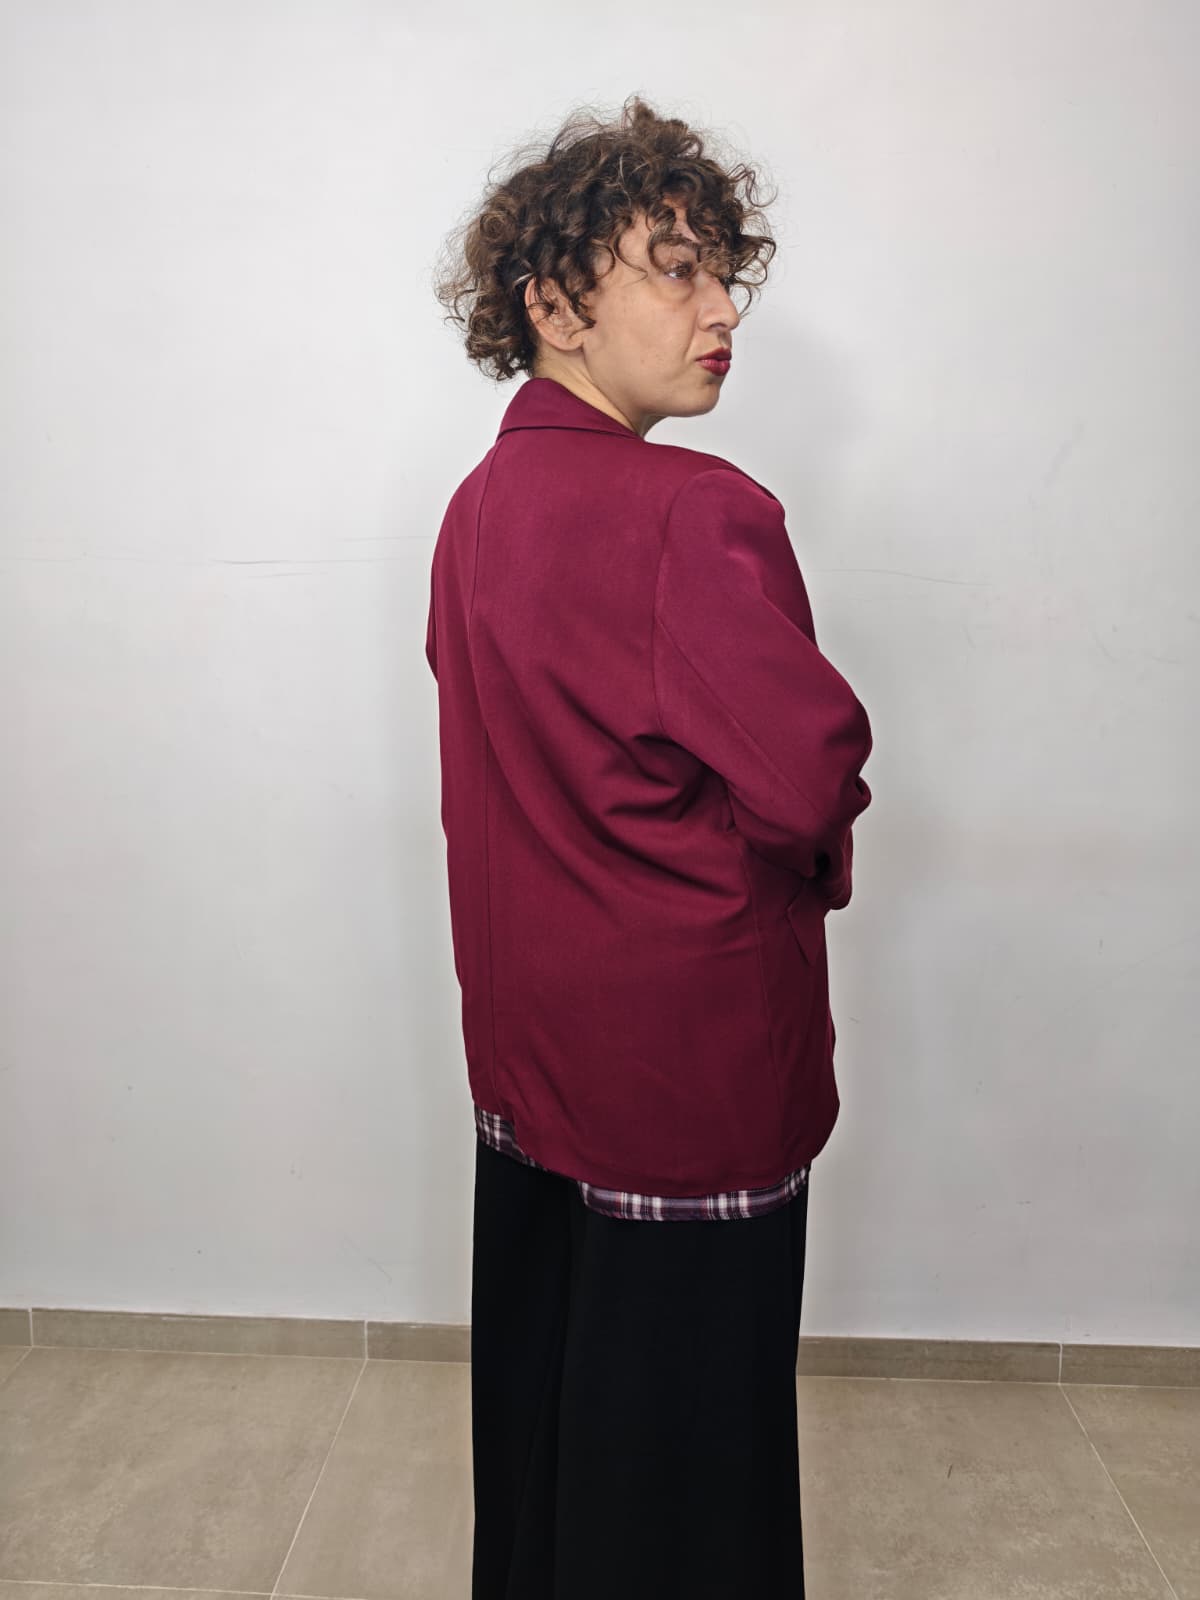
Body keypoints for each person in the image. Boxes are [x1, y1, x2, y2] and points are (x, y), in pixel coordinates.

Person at [426, 93, 873, 1599]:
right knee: (689, 1478)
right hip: (686, 1077)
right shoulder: (696, 514)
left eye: (724, 272)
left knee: (548, 1436)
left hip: (531, 1063)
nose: (721, 308)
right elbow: (810, 781)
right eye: (676, 270)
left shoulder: (475, 509)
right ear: (553, 304)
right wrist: (797, 872)